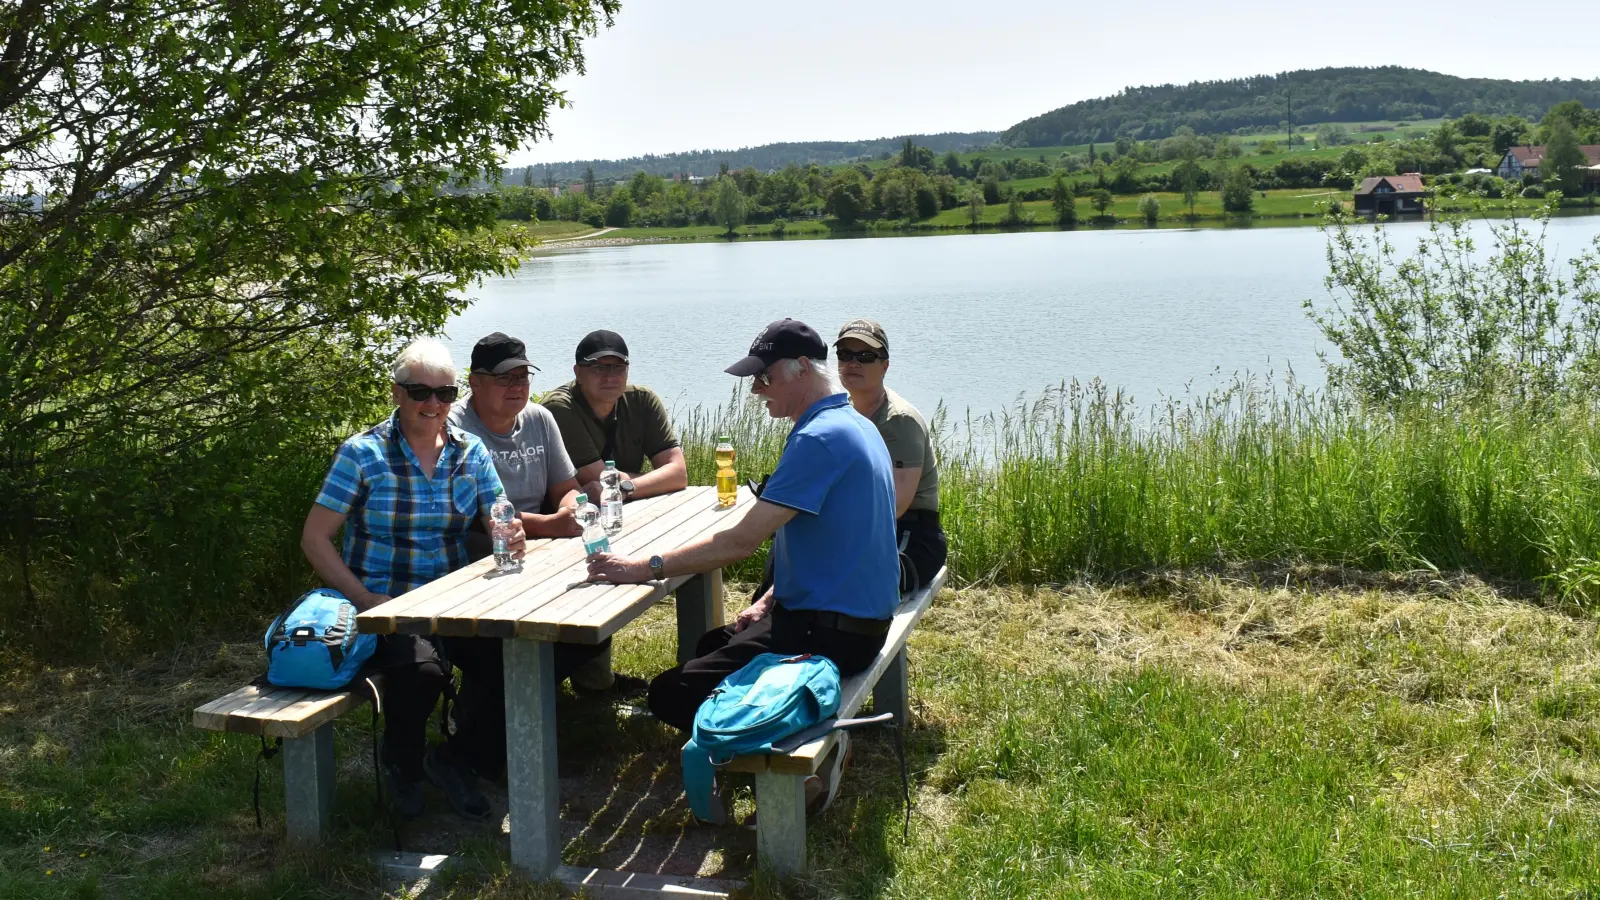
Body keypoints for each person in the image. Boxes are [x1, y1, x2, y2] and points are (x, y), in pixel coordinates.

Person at [586, 318, 899, 807]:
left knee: (671, 693)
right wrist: (772, 597)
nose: (755, 389)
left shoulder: (818, 438)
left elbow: (740, 542)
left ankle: (808, 760)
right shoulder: (853, 422)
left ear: (800, 369)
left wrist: (640, 566)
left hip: (831, 635)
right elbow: (838, 540)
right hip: (855, 618)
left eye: (764, 377)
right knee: (713, 641)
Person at [300, 338, 528, 822]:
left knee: (517, 656)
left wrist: (510, 532)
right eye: (420, 392)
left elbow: (499, 518)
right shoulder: (362, 455)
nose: (433, 405)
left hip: (452, 601)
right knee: (423, 672)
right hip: (386, 606)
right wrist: (362, 598)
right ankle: (401, 765)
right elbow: (315, 539)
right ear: (396, 394)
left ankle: (458, 758)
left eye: (444, 394)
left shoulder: (471, 452)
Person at [431, 331, 613, 807]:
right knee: (502, 652)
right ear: (474, 382)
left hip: (542, 553)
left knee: (595, 622)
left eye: (522, 376)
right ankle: (481, 747)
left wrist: (574, 509)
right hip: (477, 563)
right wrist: (552, 525)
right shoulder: (453, 427)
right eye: (503, 378)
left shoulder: (539, 418)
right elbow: (473, 513)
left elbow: (568, 486)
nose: (516, 387)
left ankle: (515, 713)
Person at [834, 319, 947, 592]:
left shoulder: (899, 421)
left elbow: (894, 506)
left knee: (843, 583)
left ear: (885, 365)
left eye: (865, 356)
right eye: (845, 355)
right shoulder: (840, 411)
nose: (853, 363)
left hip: (909, 535)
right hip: (865, 531)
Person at [542, 329, 687, 504]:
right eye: (598, 368)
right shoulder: (560, 408)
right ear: (578, 373)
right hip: (570, 515)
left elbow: (678, 474)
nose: (609, 377)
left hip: (624, 505)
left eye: (618, 367)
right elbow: (595, 477)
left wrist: (625, 489)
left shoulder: (642, 400)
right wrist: (654, 480)